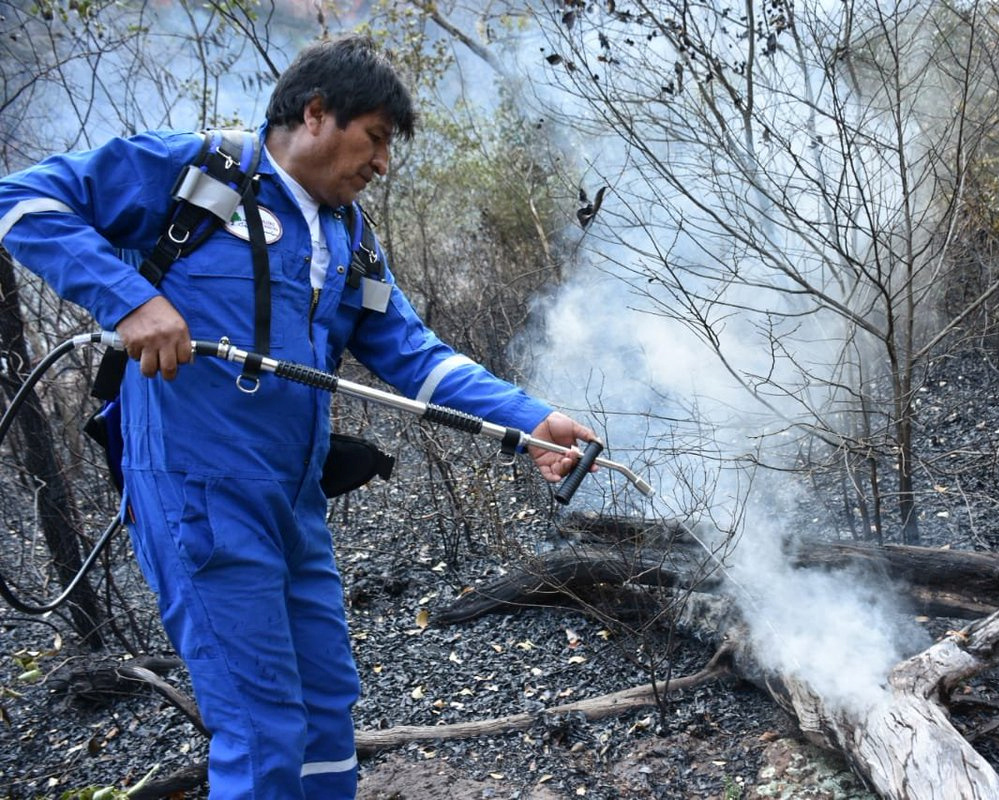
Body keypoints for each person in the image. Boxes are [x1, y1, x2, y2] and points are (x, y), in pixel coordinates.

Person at [0, 34, 594, 798]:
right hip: (198, 496)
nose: (382, 164)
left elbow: (412, 353)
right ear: (316, 113)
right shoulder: (199, 174)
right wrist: (134, 301)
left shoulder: (347, 239)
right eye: (375, 138)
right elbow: (22, 200)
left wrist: (531, 418)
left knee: (325, 707)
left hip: (295, 500)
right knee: (260, 720)